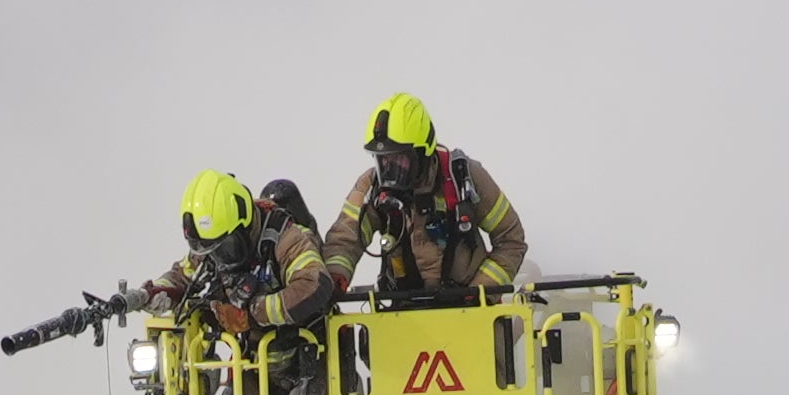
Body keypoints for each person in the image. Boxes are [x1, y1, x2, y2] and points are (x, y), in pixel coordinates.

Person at [333, 92, 527, 307]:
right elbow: (344, 239)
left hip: (472, 315)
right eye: (382, 159)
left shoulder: (464, 177)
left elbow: (511, 240)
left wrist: (480, 292)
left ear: (423, 151)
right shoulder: (372, 187)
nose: (389, 168)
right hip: (401, 318)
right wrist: (334, 278)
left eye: (399, 157)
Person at [160, 166, 336, 333]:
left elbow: (314, 282)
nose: (219, 257)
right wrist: (155, 292)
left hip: (304, 345)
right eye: (211, 250)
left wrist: (252, 314)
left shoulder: (286, 237)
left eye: (225, 246)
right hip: (247, 355)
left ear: (244, 224)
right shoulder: (212, 244)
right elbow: (181, 275)